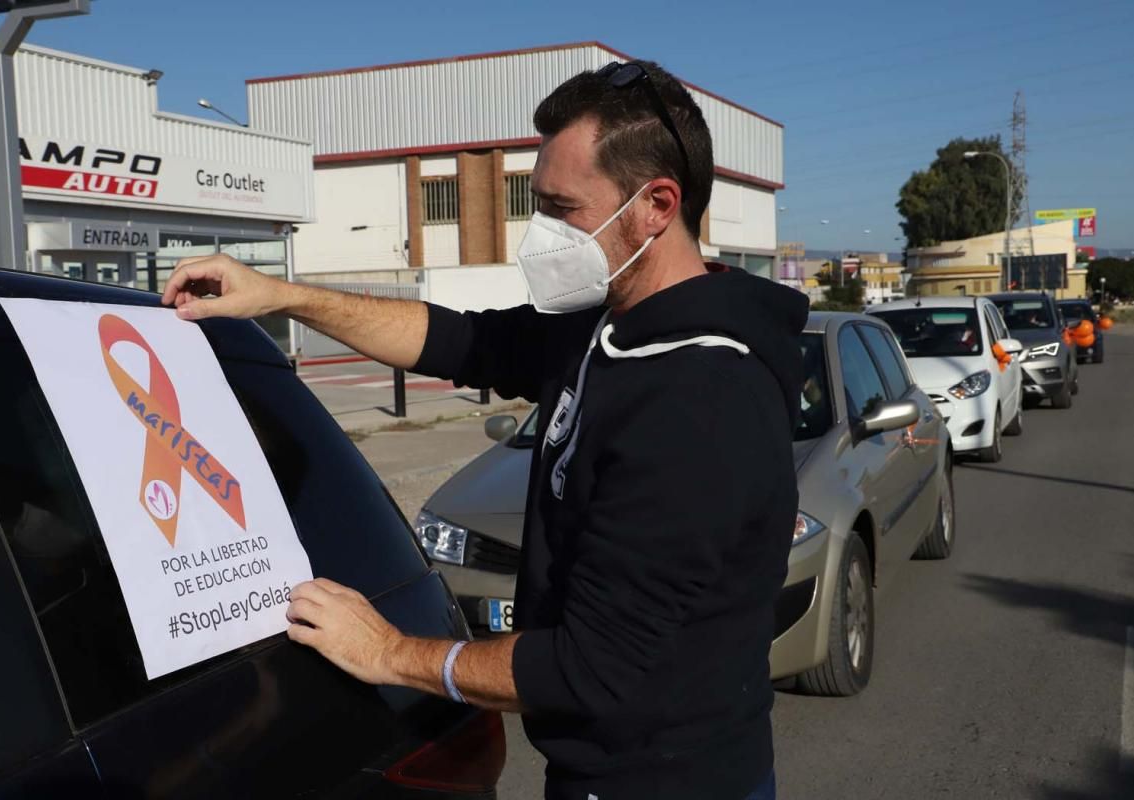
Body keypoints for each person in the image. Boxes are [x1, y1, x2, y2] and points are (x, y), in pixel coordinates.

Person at [163, 59, 807, 800]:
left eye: (562, 208)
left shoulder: (700, 398)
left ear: (657, 203)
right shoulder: (610, 327)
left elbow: (592, 667)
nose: (541, 233)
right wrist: (280, 294)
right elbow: (459, 341)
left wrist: (390, 652)